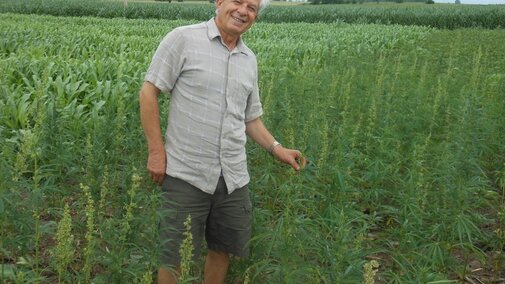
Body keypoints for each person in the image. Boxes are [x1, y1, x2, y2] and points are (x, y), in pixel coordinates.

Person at [139, 0, 304, 282]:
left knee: (222, 249)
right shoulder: (183, 39)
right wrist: (156, 152)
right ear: (219, 3)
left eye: (252, 7)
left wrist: (277, 148)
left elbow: (250, 118)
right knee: (174, 255)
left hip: (233, 177)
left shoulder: (248, 59)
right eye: (237, 2)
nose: (243, 11)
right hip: (186, 173)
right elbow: (148, 92)